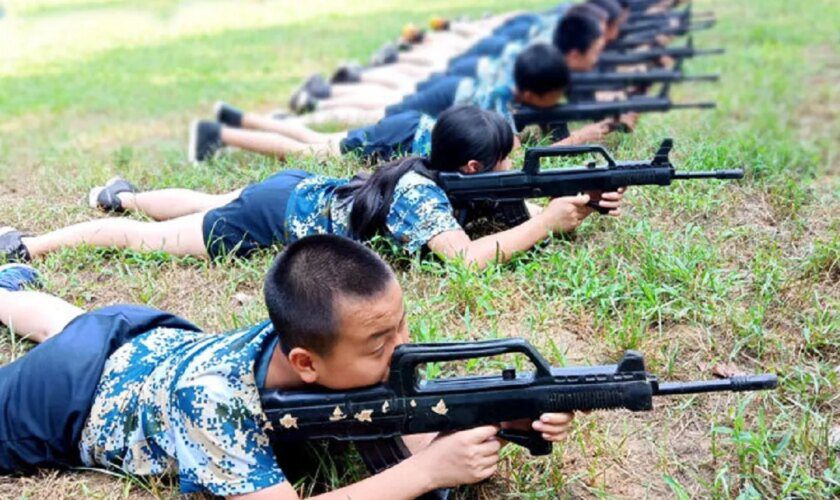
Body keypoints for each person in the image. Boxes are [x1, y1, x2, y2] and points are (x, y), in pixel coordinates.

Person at [0, 236, 579, 498]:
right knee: (60, 338)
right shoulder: (212, 403)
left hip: (143, 336)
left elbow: (406, 415)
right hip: (70, 401)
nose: (400, 347)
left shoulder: (338, 335)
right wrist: (427, 473)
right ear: (305, 361)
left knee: (64, 324)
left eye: (400, 325)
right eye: (380, 343)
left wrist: (508, 418)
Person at [0, 106, 624, 267]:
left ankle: (123, 192)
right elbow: (465, 259)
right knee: (148, 242)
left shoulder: (425, 166)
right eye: (505, 162)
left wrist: (578, 203)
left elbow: (501, 206)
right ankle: (31, 244)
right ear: (470, 170)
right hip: (274, 218)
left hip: (298, 191)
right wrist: (545, 222)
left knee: (211, 200)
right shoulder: (420, 196)